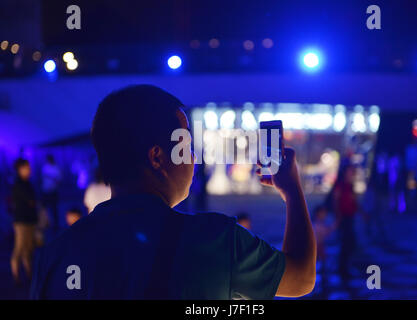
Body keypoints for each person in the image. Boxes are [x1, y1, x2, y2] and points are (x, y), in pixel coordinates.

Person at [31, 85, 316, 299]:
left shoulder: (55, 256)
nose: (192, 158)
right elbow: (301, 277)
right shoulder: (213, 239)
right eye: (186, 146)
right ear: (157, 158)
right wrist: (291, 190)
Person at [10, 158, 38, 283]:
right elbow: (31, 201)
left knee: (28, 248)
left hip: (28, 220)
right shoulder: (19, 184)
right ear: (20, 169)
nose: (29, 170)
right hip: (21, 221)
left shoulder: (26, 183)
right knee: (20, 248)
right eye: (27, 168)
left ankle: (29, 274)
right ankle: (16, 276)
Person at [332, 161, 358, 280]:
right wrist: (338, 215)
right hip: (343, 217)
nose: (352, 172)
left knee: (350, 242)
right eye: (350, 170)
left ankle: (346, 266)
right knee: (345, 242)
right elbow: (336, 200)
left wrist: (361, 212)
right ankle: (342, 268)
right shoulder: (340, 184)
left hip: (350, 216)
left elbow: (353, 201)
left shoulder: (350, 185)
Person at [41, 154, 62, 229]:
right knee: (46, 208)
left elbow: (59, 179)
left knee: (54, 208)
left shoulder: (56, 168)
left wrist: (52, 178)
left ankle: (56, 225)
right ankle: (47, 223)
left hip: (53, 190)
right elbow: (43, 178)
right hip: (46, 190)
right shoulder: (45, 167)